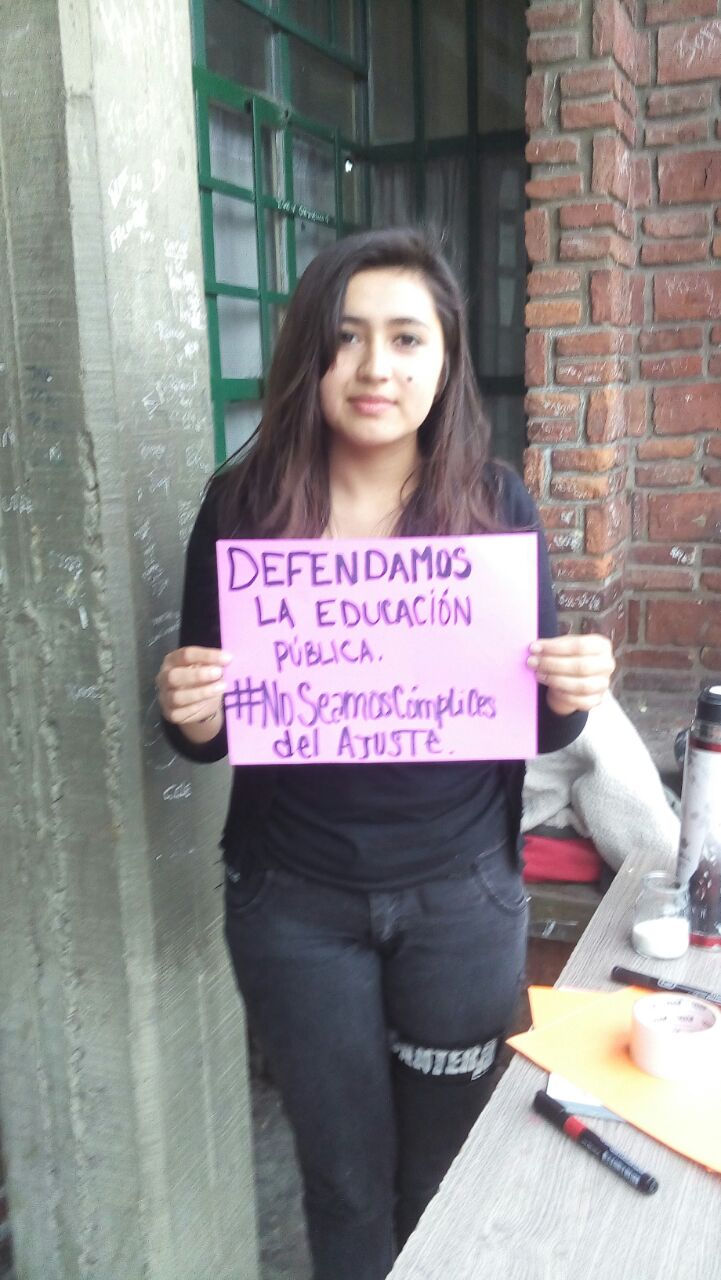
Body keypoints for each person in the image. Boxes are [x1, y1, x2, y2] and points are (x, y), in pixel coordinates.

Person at [156, 229, 614, 1280]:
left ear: (444, 359)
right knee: (344, 1184)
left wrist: (569, 692)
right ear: (308, 356)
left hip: (459, 903)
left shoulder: (493, 504)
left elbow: (537, 728)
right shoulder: (242, 508)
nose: (375, 367)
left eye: (407, 338)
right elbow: (206, 734)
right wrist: (186, 705)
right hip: (292, 907)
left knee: (441, 1176)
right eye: (347, 336)